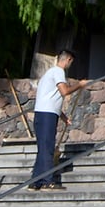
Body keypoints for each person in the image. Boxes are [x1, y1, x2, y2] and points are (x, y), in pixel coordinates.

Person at [29, 49, 87, 191]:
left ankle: (35, 181)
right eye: (70, 62)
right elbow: (64, 91)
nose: (70, 65)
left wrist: (63, 117)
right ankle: (48, 181)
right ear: (68, 60)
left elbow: (50, 99)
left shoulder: (48, 74)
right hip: (47, 115)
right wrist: (79, 85)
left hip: (42, 113)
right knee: (48, 147)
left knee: (43, 148)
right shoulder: (58, 72)